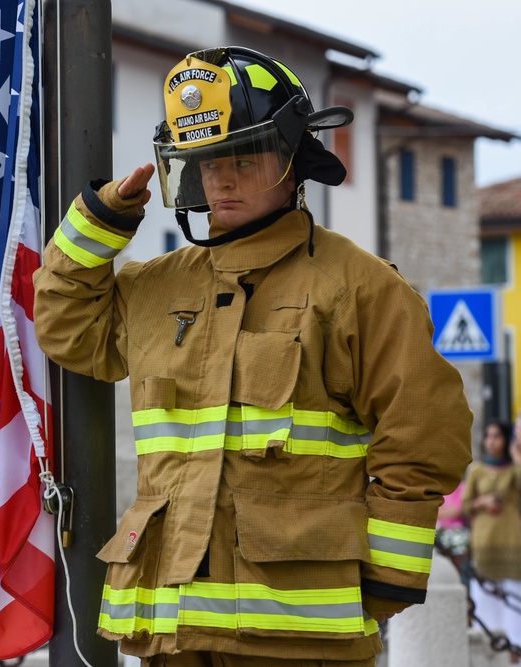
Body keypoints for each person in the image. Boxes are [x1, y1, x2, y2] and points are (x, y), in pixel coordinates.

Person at [33, 46, 473, 666]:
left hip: (300, 631)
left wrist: (386, 579)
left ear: (295, 158)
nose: (224, 179)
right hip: (173, 626)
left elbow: (424, 434)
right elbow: (67, 332)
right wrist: (98, 224)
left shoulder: (360, 286)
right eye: (207, 162)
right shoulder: (156, 285)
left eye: (246, 156)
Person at [463, 419, 521, 659]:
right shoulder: (476, 469)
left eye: (496, 436)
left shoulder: (513, 470)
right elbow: (464, 506)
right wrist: (482, 502)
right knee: (485, 593)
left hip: (512, 540)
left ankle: (515, 647)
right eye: (488, 436)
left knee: (513, 591)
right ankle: (488, 650)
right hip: (484, 540)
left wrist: (516, 457)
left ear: (506, 440)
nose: (490, 441)